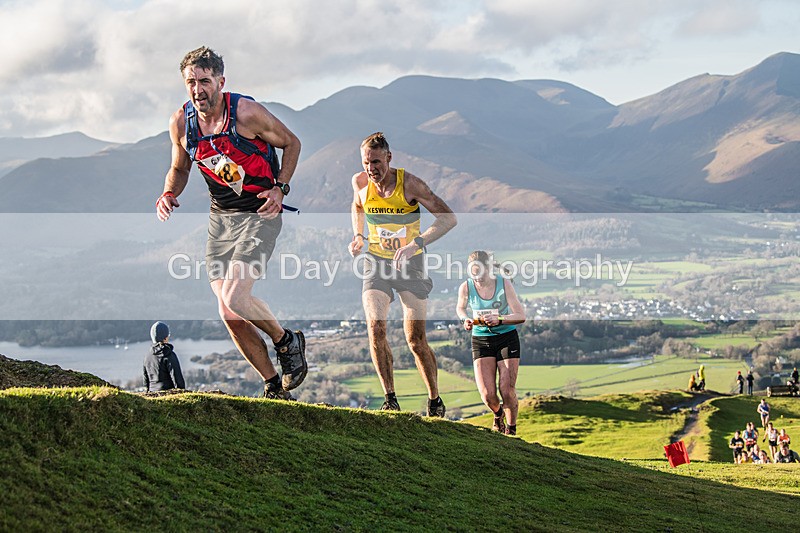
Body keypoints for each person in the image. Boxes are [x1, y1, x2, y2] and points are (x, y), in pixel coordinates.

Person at [156, 47, 306, 400]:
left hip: (260, 212)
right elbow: (180, 168)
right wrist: (168, 192)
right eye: (191, 82)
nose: (197, 90)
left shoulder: (247, 113)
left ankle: (287, 341)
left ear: (221, 82)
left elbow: (292, 143)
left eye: (205, 81)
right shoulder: (181, 123)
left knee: (237, 295)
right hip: (221, 218)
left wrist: (279, 188)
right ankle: (273, 383)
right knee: (226, 309)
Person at [348, 132, 457, 416]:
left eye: (376, 162)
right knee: (376, 328)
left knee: (415, 340)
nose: (371, 169)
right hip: (377, 263)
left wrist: (416, 244)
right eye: (366, 162)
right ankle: (390, 398)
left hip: (411, 264)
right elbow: (357, 205)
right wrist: (358, 236)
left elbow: (448, 218)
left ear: (388, 158)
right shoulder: (360, 183)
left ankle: (434, 400)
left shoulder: (410, 184)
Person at [456, 251, 526, 435]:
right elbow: (460, 307)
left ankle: (511, 430)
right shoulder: (466, 287)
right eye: (473, 275)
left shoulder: (504, 284)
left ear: (488, 269)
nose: (477, 279)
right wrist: (465, 319)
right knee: (487, 395)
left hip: (506, 338)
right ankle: (498, 414)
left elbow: (521, 315)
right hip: (481, 339)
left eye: (480, 274)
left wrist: (500, 319)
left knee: (507, 389)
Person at [143, 321, 186, 392]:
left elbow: (146, 382)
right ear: (165, 338)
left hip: (152, 396)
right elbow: (178, 380)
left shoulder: (147, 356)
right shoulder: (169, 354)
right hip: (168, 396)